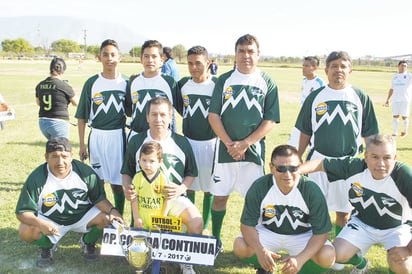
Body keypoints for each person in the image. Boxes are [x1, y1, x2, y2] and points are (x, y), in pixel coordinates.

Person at [295, 51, 379, 239]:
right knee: (313, 209)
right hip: (317, 161)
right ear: (326, 70)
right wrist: (298, 156)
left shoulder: (360, 96)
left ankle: (339, 250)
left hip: (347, 164)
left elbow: (370, 132)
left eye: (343, 66)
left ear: (350, 70)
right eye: (334, 66)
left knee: (344, 211)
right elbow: (305, 130)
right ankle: (313, 249)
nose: (338, 70)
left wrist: (373, 160)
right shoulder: (315, 96)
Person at [298, 134, 412, 274]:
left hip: (396, 227)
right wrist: (296, 171)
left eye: (387, 158)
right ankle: (361, 263)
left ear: (395, 158)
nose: (381, 163)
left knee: (401, 264)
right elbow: (320, 164)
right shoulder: (355, 167)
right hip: (362, 224)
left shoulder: (404, 176)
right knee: (336, 254)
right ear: (366, 156)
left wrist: (408, 249)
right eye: (375, 157)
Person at [208, 34, 280, 246]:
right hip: (225, 152)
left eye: (251, 51)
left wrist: (246, 143)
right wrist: (231, 144)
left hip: (253, 154)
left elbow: (271, 119)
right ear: (235, 54)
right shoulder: (224, 80)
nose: (246, 55)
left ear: (258, 55)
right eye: (241, 51)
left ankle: (256, 244)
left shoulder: (267, 81)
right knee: (220, 197)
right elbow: (213, 115)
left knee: (255, 202)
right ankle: (216, 240)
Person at [122, 97, 202, 274]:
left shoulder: (181, 142)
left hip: (173, 198)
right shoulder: (136, 141)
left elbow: (191, 173)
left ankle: (185, 261)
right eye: (154, 114)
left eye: (163, 115)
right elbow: (126, 171)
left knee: (196, 223)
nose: (159, 119)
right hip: (145, 201)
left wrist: (181, 188)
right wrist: (128, 189)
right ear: (147, 117)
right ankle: (147, 255)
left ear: (171, 116)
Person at [15, 137, 124, 268]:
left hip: (81, 217)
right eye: (54, 156)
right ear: (46, 157)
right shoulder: (37, 178)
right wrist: (41, 224)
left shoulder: (85, 172)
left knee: (108, 219)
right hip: (51, 220)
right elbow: (22, 212)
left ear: (71, 156)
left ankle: (87, 241)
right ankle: (47, 247)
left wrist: (113, 210)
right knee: (25, 230)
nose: (60, 161)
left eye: (64, 156)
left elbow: (98, 199)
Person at [233, 145, 335, 274]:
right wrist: (260, 250)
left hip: (302, 235)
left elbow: (321, 233)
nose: (287, 174)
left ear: (300, 166)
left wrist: (300, 259)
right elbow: (247, 225)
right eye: (281, 168)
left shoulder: (311, 189)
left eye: (293, 168)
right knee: (240, 245)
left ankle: (300, 269)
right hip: (269, 232)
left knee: (327, 255)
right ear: (271, 168)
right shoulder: (260, 186)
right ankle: (264, 266)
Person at [75, 39, 128, 215]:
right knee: (97, 182)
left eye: (113, 54)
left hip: (118, 138)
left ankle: (118, 217)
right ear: (99, 57)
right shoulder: (92, 83)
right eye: (105, 54)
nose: (109, 58)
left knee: (117, 182)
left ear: (119, 58)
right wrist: (82, 144)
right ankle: (99, 217)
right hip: (97, 136)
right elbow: (82, 116)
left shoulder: (126, 82)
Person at [177, 45, 217, 234]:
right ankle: (191, 225)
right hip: (189, 143)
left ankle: (206, 226)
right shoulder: (183, 85)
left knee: (210, 188)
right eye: (190, 63)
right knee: (189, 186)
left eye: (198, 63)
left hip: (211, 143)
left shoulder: (216, 86)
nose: (194, 67)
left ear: (208, 63)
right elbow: (179, 108)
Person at [125, 40, 178, 139]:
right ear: (141, 59)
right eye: (146, 56)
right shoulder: (133, 81)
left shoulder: (170, 82)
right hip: (137, 136)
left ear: (162, 60)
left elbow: (176, 111)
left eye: (154, 56)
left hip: (162, 138)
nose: (150, 60)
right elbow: (129, 110)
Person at [35, 57, 78, 140]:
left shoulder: (40, 85)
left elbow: (38, 103)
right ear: (63, 70)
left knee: (52, 149)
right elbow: (76, 103)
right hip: (58, 122)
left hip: (43, 121)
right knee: (61, 149)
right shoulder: (64, 85)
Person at [288, 56, 325, 149]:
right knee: (291, 146)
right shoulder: (304, 81)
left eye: (307, 66)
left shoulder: (320, 84)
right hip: (302, 119)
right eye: (303, 65)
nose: (303, 68)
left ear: (315, 68)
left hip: (313, 122)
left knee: (313, 149)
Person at [131, 141, 170, 229]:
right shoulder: (137, 178)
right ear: (139, 160)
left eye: (152, 161)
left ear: (160, 162)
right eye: (144, 160)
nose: (147, 165)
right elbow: (134, 199)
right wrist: (136, 218)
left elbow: (167, 200)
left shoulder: (162, 179)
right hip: (141, 222)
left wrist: (162, 220)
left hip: (157, 223)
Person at [384, 60, 412, 137]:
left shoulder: (409, 76)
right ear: (398, 66)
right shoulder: (394, 76)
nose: (404, 67)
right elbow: (392, 88)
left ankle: (405, 131)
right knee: (395, 116)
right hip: (395, 99)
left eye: (405, 66)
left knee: (404, 116)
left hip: (405, 100)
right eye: (402, 65)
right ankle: (395, 132)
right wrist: (388, 99)